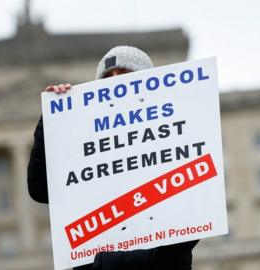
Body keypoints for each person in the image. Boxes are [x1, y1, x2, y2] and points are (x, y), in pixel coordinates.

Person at [27, 46, 198, 270]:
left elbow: (192, 218)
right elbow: (40, 189)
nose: (116, 82)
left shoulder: (174, 135)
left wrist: (115, 262)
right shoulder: (84, 137)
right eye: (109, 77)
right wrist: (51, 119)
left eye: (126, 75)